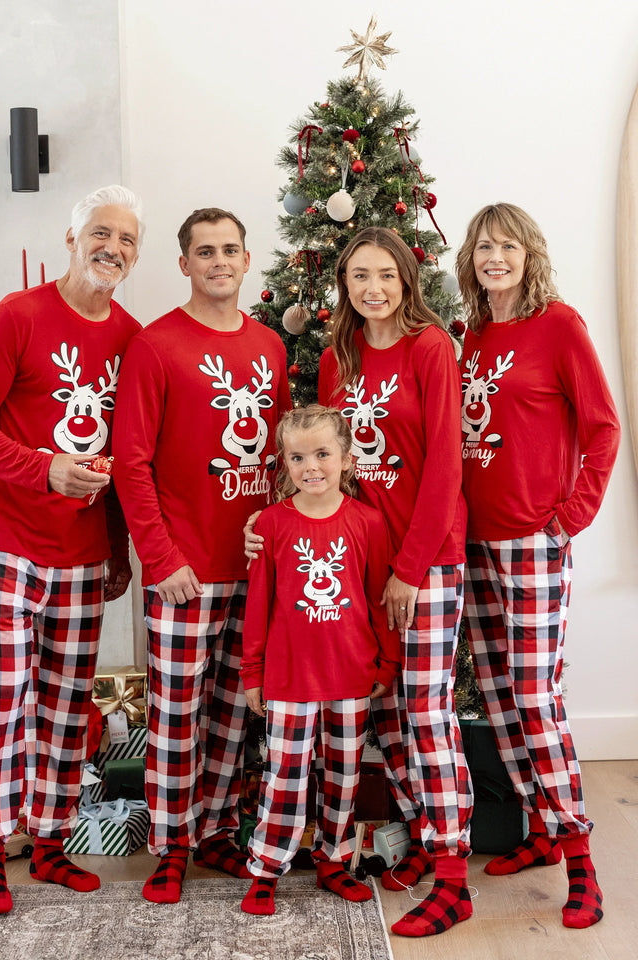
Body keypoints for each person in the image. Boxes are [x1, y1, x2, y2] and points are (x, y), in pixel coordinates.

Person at [247, 227, 473, 938]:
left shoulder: (432, 348)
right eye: (357, 277)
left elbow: (444, 467)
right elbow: (324, 467)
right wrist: (272, 523)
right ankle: (372, 843)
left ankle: (453, 874)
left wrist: (409, 570)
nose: (372, 288)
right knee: (378, 715)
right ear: (343, 286)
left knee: (427, 714)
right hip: (355, 563)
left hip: (425, 558)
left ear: (407, 278)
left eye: (385, 274)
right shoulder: (338, 359)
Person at [0, 184, 144, 914]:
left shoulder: (131, 338)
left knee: (65, 706)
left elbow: (131, 454)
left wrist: (118, 549)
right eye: (100, 233)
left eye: (126, 240)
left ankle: (52, 842)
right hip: (3, 544)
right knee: (3, 702)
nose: (112, 248)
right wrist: (41, 467)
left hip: (83, 552)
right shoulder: (16, 317)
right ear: (71, 238)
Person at [111, 207, 291, 905]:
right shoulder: (157, 347)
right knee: (178, 713)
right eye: (205, 252)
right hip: (184, 570)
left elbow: (279, 457)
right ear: (183, 265)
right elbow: (131, 463)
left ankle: (215, 828)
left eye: (230, 250)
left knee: (232, 712)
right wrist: (160, 559)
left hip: (251, 565)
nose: (219, 261)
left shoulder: (270, 347)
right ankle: (170, 843)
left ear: (248, 261)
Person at [455, 202, 620, 930]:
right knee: (496, 695)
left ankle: (583, 859)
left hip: (531, 540)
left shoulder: (560, 327)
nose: (495, 258)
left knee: (535, 697)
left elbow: (605, 426)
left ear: (529, 254)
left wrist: (569, 517)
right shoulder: (472, 335)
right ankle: (542, 829)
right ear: (471, 258)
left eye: (507, 247)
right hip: (470, 542)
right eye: (484, 247)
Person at [239, 405, 398, 916]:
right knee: (284, 775)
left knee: (344, 774)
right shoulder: (270, 523)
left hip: (352, 676)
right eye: (298, 456)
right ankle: (267, 867)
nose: (312, 466)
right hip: (288, 678)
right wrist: (252, 673)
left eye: (324, 453)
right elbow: (260, 603)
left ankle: (334, 859)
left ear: (348, 459)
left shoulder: (368, 523)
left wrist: (386, 663)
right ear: (284, 463)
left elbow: (378, 599)